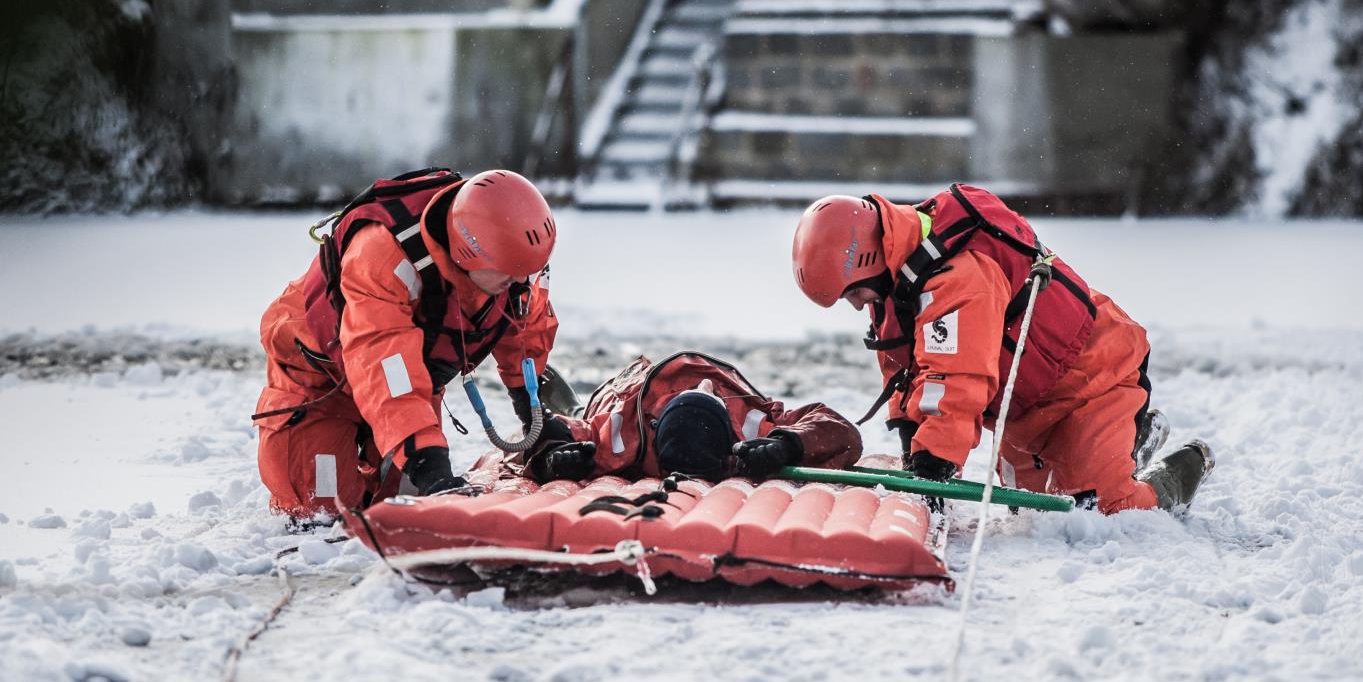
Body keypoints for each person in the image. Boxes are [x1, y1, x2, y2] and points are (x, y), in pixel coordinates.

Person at [789, 184, 1214, 514]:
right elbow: (905, 373)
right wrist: (910, 444)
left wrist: (932, 467)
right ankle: (1133, 441)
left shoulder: (958, 277)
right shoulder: (895, 285)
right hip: (1028, 410)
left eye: (855, 293)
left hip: (1097, 378)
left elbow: (955, 378)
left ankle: (1183, 468)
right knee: (1031, 507)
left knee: (1101, 509)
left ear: (867, 258)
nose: (859, 304)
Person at [251, 168, 560, 518]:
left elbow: (524, 326)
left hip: (413, 374)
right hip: (321, 379)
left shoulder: (507, 266)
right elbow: (383, 362)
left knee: (405, 503)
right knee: (322, 507)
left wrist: (535, 415)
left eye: (527, 271)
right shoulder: (384, 256)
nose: (521, 280)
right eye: (511, 273)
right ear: (470, 252)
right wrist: (430, 465)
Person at [492, 351, 862, 484]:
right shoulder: (624, 434)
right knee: (580, 414)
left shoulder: (751, 422)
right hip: (631, 390)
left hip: (708, 387)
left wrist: (787, 445)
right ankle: (563, 395)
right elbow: (534, 439)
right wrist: (551, 459)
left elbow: (841, 431)